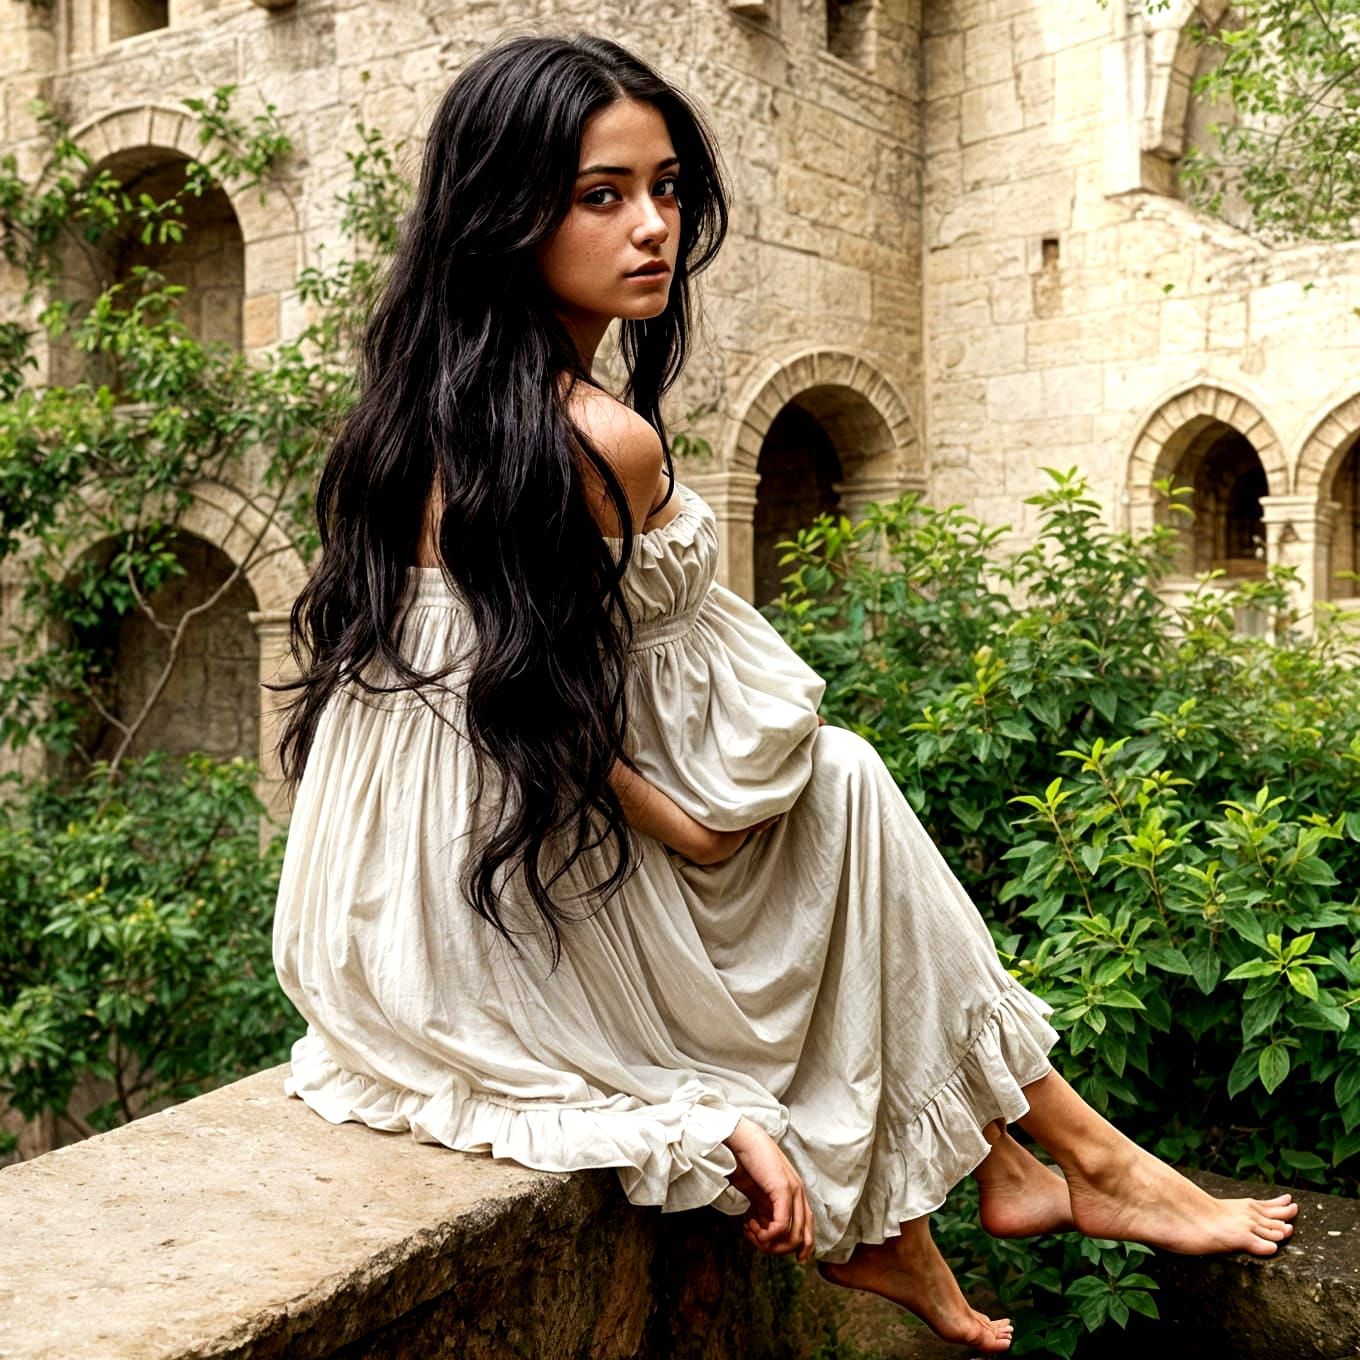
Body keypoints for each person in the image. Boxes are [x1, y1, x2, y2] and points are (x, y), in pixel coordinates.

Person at [269, 32, 1297, 1353]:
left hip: (385, 874)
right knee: (847, 785)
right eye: (602, 194)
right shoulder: (592, 438)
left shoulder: (425, 404)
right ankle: (1061, 1162)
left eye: (669, 186)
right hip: (473, 899)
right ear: (505, 209)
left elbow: (491, 678)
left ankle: (1020, 1171)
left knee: (841, 789)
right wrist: (691, 824)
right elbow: (563, 699)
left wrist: (684, 805)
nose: (653, 227)